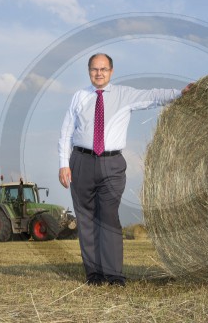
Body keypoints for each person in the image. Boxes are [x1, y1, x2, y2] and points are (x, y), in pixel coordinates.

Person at [58, 53, 192, 286]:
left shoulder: (125, 95)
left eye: (103, 69)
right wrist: (63, 164)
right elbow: (66, 131)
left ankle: (114, 275)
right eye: (94, 69)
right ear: (88, 71)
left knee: (108, 218)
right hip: (81, 161)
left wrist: (179, 93)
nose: (98, 73)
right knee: (86, 219)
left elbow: (152, 96)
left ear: (111, 71)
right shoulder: (79, 97)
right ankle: (94, 275)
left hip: (112, 164)